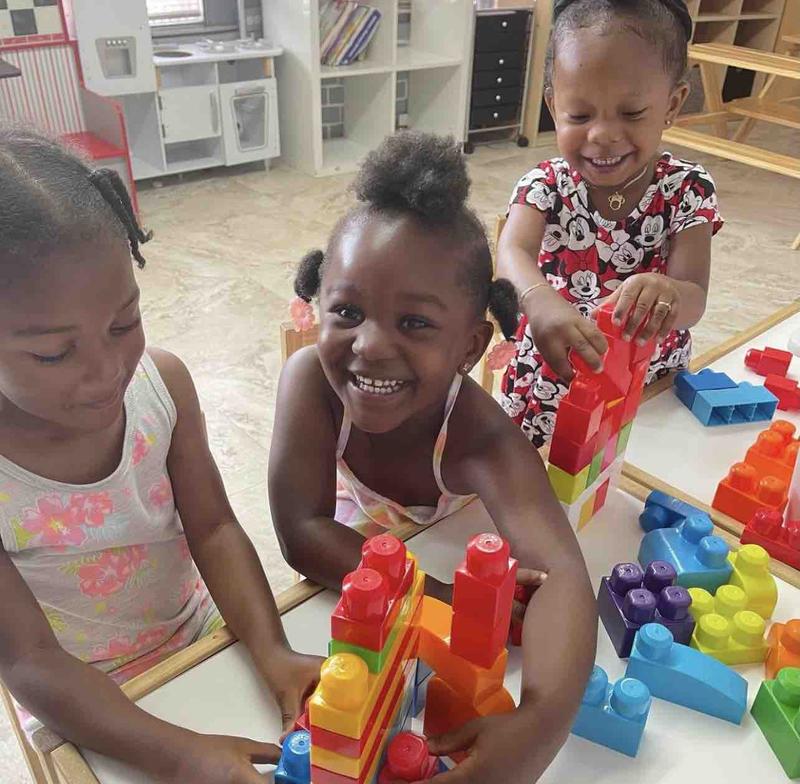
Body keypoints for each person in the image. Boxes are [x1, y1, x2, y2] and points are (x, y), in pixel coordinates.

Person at [269, 131, 596, 783]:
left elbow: (563, 580)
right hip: (361, 545)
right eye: (347, 311)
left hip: (444, 533)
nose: (369, 346)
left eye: (414, 323)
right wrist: (440, 594)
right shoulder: (310, 380)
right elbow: (303, 532)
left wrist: (539, 725)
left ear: (470, 347)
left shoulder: (478, 434)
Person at [0, 126, 321, 784]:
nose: (105, 371)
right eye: (54, 353)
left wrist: (274, 651)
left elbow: (215, 527)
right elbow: (28, 660)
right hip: (81, 707)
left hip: (198, 639)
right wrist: (177, 752)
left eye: (124, 322)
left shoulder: (162, 387)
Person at [498, 0, 723, 446]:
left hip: (643, 387)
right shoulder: (545, 183)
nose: (602, 134)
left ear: (672, 104)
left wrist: (670, 293)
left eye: (632, 113)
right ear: (553, 105)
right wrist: (538, 299)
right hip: (550, 382)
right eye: (579, 116)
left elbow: (694, 300)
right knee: (538, 484)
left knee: (621, 497)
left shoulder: (687, 189)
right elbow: (511, 252)